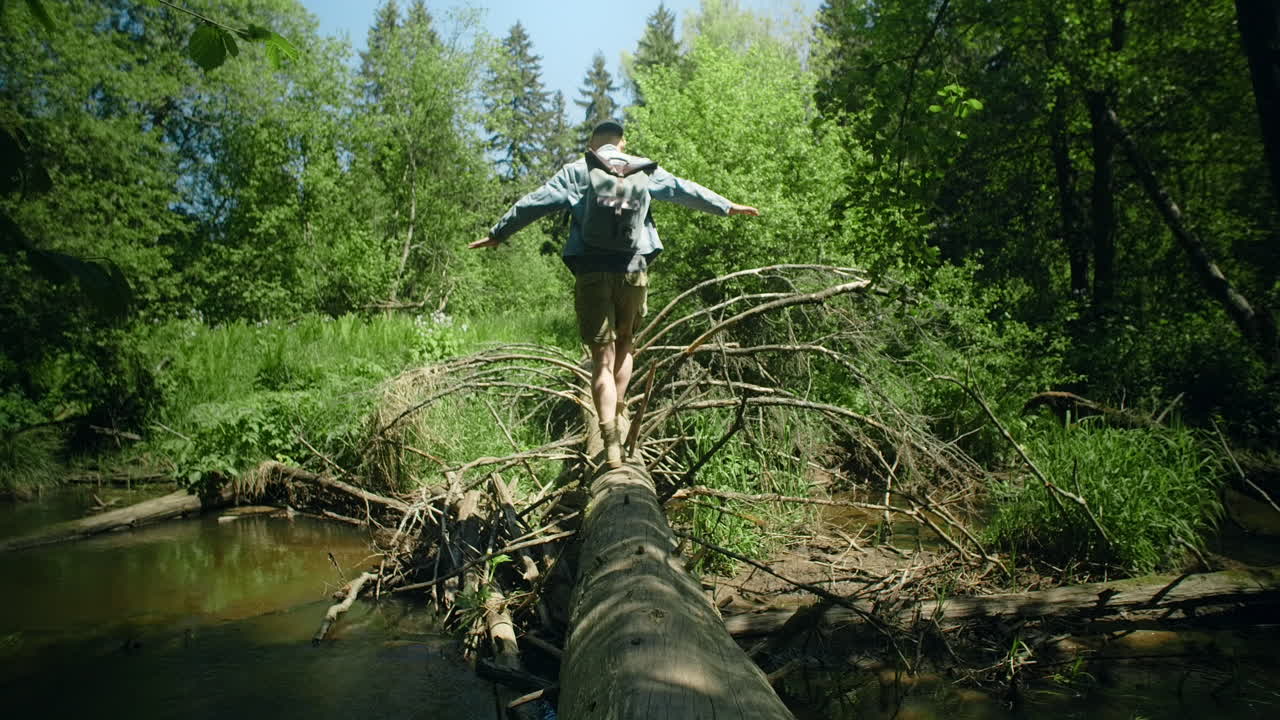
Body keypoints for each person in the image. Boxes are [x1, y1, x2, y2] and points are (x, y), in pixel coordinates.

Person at [469, 120, 760, 468]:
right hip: (633, 268)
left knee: (600, 357)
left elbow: (535, 203)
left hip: (592, 269)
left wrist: (498, 234)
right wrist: (726, 205)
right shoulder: (643, 169)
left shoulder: (579, 170)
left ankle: (608, 439)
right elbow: (686, 190)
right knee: (625, 343)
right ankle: (619, 413)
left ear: (592, 145)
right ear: (622, 143)